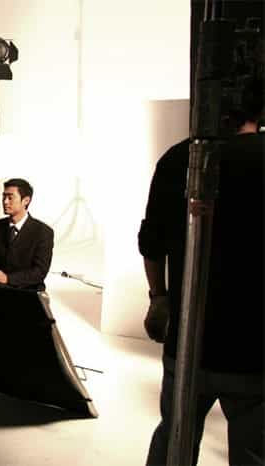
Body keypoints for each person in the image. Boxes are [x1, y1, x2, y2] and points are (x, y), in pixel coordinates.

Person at [139, 78, 263, 465]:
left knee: (174, 441)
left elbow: (151, 243)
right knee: (253, 452)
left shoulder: (179, 157)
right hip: (254, 347)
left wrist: (159, 299)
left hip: (190, 339)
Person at [0, 178, 54, 290]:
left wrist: (8, 279)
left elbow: (39, 272)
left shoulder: (43, 232)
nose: (5, 201)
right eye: (4, 197)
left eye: (10, 197)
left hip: (28, 292)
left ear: (26, 200)